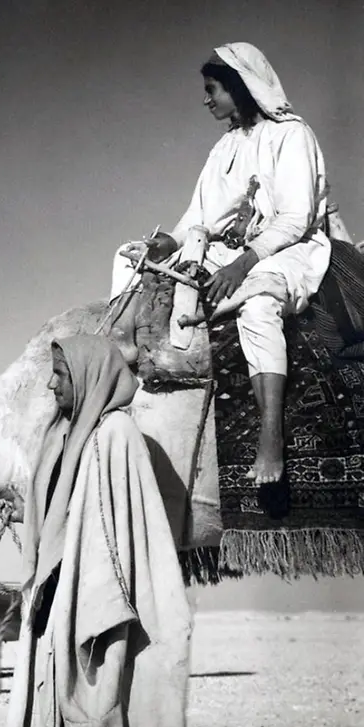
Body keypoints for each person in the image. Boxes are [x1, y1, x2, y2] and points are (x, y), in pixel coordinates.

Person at [0, 334, 194, 727]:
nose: (51, 384)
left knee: (97, 724)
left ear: (87, 377)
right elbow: (62, 519)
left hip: (98, 609)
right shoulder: (64, 436)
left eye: (60, 374)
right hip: (56, 609)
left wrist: (83, 601)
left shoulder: (116, 436)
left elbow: (113, 539)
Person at [109, 42, 332, 485]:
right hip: (228, 249)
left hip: (289, 248)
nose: (206, 100)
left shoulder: (292, 135)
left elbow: (295, 217)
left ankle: (271, 438)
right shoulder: (224, 147)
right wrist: (167, 243)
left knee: (259, 307)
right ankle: (123, 355)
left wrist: (243, 265)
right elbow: (199, 215)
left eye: (212, 89)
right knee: (127, 255)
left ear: (240, 86)